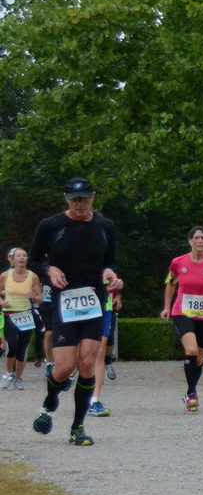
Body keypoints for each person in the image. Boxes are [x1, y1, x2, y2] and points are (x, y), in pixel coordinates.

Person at [28, 177, 124, 445]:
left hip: (94, 300)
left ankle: (77, 428)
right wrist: (49, 269)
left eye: (84, 198)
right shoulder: (51, 226)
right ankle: (49, 404)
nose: (80, 204)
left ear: (93, 197)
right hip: (64, 301)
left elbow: (111, 262)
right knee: (63, 367)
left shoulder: (105, 226)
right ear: (66, 199)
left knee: (86, 364)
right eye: (74, 199)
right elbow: (34, 260)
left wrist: (110, 274)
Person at [159, 226, 203, 412]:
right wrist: (167, 307)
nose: (199, 241)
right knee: (190, 350)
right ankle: (191, 393)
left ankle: (191, 390)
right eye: (196, 237)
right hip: (182, 311)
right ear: (189, 241)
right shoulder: (178, 262)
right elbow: (170, 283)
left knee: (199, 357)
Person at [3, 246, 42, 391]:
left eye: (24, 255)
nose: (21, 258)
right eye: (18, 256)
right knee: (12, 346)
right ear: (12, 259)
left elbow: (40, 298)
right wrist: (2, 302)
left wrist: (35, 297)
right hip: (10, 314)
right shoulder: (5, 276)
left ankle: (18, 378)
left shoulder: (33, 276)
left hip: (26, 315)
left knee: (22, 349)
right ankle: (8, 374)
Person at [87, 281, 121, 416]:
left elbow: (112, 272)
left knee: (100, 351)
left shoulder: (104, 262)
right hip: (77, 304)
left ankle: (94, 400)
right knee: (81, 353)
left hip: (103, 304)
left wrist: (115, 288)